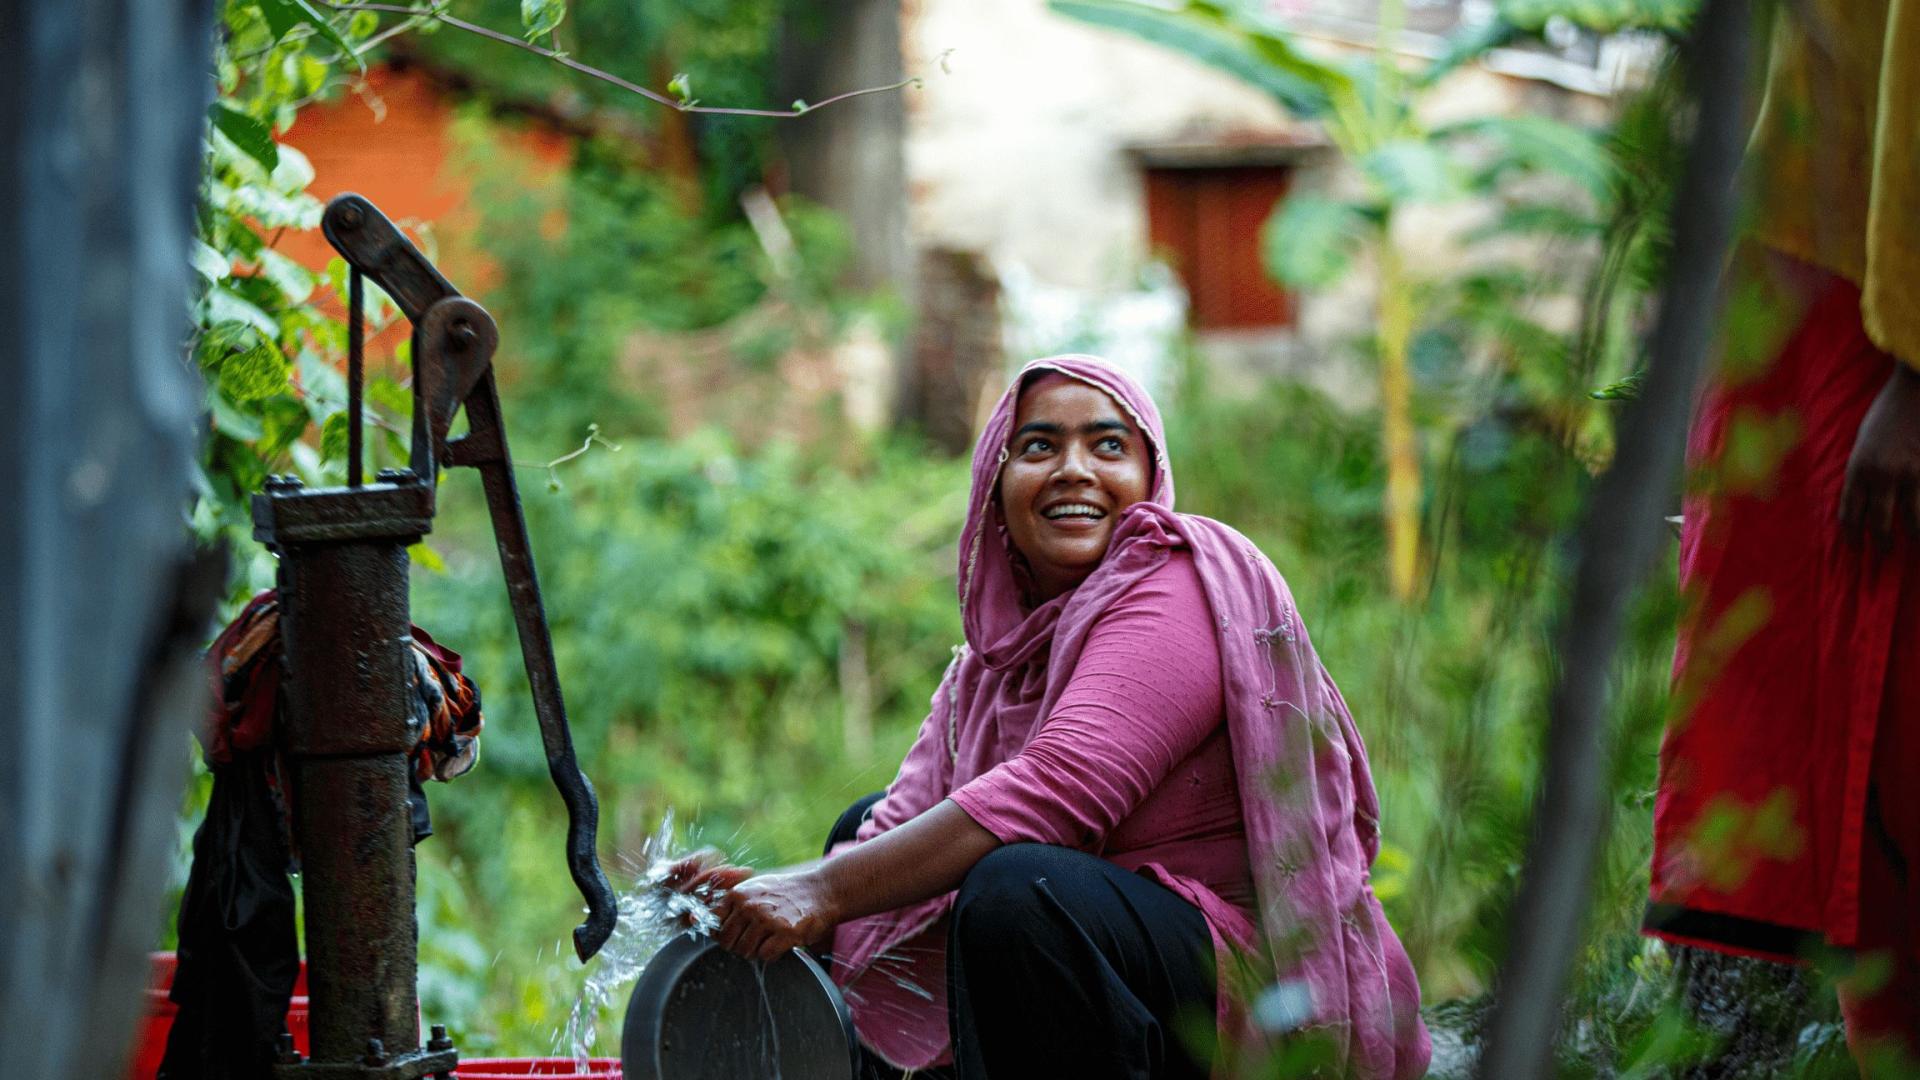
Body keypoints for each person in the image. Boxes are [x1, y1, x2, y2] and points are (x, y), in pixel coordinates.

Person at [670, 356, 1428, 1079]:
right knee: (861, 833)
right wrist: (762, 899)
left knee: (1020, 890)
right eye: (1039, 446)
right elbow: (899, 823)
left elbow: (1062, 789)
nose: (1074, 469)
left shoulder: (1175, 583)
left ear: (1148, 476)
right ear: (996, 487)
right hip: (1122, 945)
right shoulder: (995, 659)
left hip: (1253, 984)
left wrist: (822, 891)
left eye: (1108, 444)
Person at [1643, 1, 1920, 1071]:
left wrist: (1912, 370)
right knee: (1822, 775)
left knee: (1884, 753)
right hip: (1804, 289)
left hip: (1871, 325)